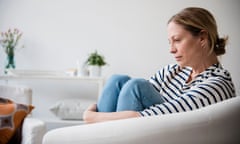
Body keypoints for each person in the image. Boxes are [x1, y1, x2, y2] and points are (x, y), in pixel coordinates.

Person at [83, 7, 236, 123]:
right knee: (118, 80)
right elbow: (134, 101)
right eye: (169, 42)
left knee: (136, 86)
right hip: (149, 127)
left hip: (170, 135)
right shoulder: (172, 71)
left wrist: (91, 116)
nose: (171, 49)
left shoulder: (217, 84)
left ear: (202, 38)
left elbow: (149, 115)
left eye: (177, 40)